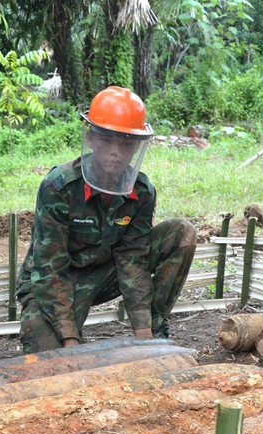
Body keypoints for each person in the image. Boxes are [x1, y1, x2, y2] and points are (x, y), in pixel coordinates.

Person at [16, 86, 196, 353]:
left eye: (126, 142)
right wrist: (70, 339)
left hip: (104, 273)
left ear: (137, 146)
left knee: (182, 232)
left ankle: (157, 328)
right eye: (107, 139)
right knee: (51, 358)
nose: (116, 150)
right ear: (90, 138)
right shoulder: (59, 187)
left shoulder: (142, 192)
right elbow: (49, 268)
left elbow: (132, 258)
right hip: (55, 280)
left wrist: (144, 334)